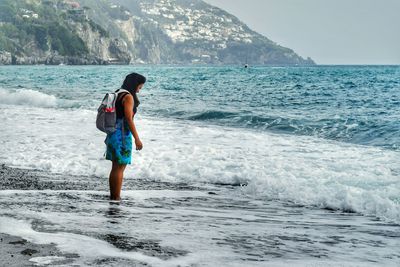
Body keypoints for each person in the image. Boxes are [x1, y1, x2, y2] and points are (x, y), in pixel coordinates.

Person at [105, 73, 146, 200]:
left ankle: (114, 197)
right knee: (120, 167)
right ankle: (116, 198)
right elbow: (129, 119)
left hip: (112, 133)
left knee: (115, 167)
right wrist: (137, 139)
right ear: (135, 84)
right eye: (140, 86)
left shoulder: (118, 93)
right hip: (122, 135)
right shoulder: (128, 97)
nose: (140, 89)